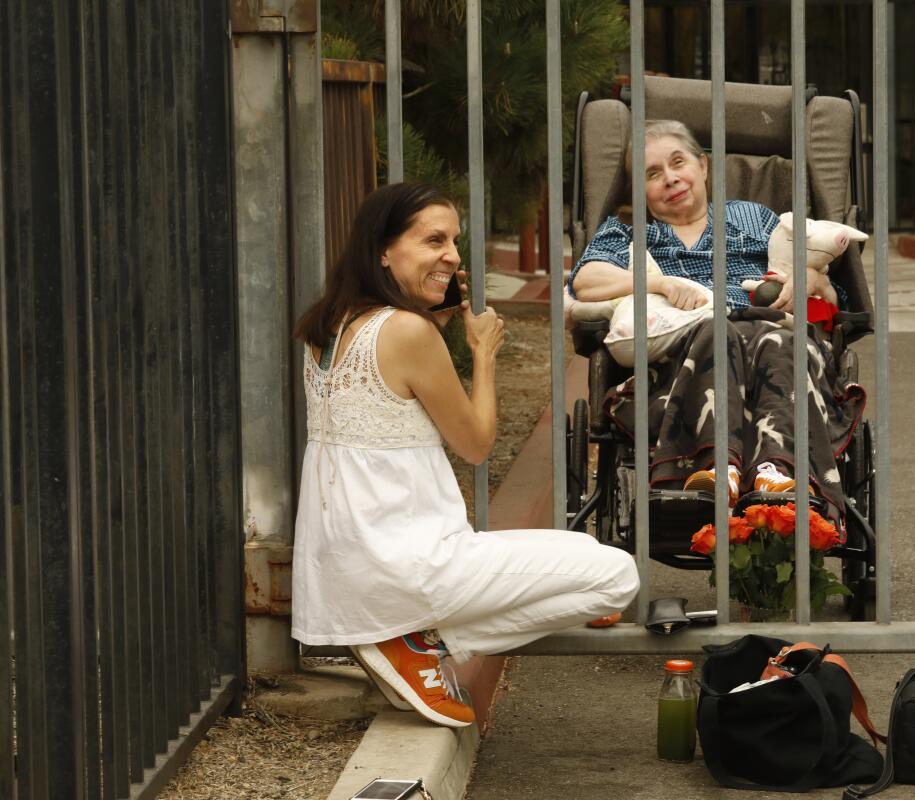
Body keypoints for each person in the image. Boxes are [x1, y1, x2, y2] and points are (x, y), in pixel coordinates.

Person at [291, 182, 639, 729]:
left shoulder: (328, 325)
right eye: (433, 240)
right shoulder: (407, 332)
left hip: (347, 567)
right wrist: (483, 354)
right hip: (413, 566)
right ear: (383, 250)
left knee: (571, 549)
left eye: (453, 240)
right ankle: (421, 641)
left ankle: (409, 638)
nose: (452, 255)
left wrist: (433, 326)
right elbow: (476, 444)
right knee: (615, 575)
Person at [569, 119, 863, 512]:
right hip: (683, 366)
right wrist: (658, 284)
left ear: (703, 166)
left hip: (776, 348)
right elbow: (586, 281)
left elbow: (833, 295)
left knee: (775, 337)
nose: (671, 179)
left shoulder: (754, 219)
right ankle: (715, 464)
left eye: (678, 163)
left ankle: (777, 470)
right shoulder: (628, 232)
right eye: (652, 174)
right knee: (717, 330)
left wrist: (805, 279)